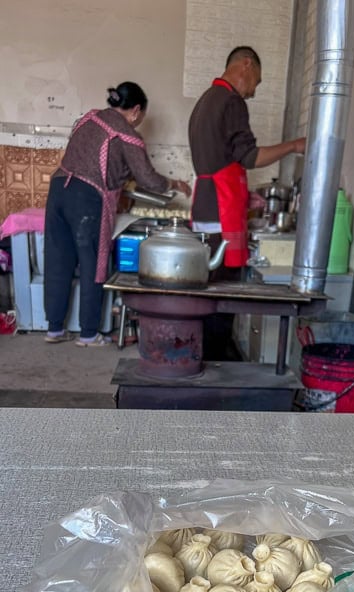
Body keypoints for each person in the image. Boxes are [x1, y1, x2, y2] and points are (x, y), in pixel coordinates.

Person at [44, 81, 191, 346]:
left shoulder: (89, 118)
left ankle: (54, 329)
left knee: (58, 261)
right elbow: (148, 178)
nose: (138, 122)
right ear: (135, 110)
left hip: (58, 190)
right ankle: (88, 334)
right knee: (93, 265)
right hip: (87, 198)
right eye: (140, 117)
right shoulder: (125, 133)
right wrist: (174, 184)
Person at [188, 46, 306, 359]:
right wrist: (294, 145)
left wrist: (245, 195)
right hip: (221, 213)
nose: (253, 92)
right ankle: (214, 366)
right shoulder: (231, 101)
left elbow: (220, 163)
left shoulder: (205, 101)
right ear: (246, 64)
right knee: (223, 296)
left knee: (207, 289)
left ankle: (206, 357)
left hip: (205, 208)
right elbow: (250, 157)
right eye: (257, 82)